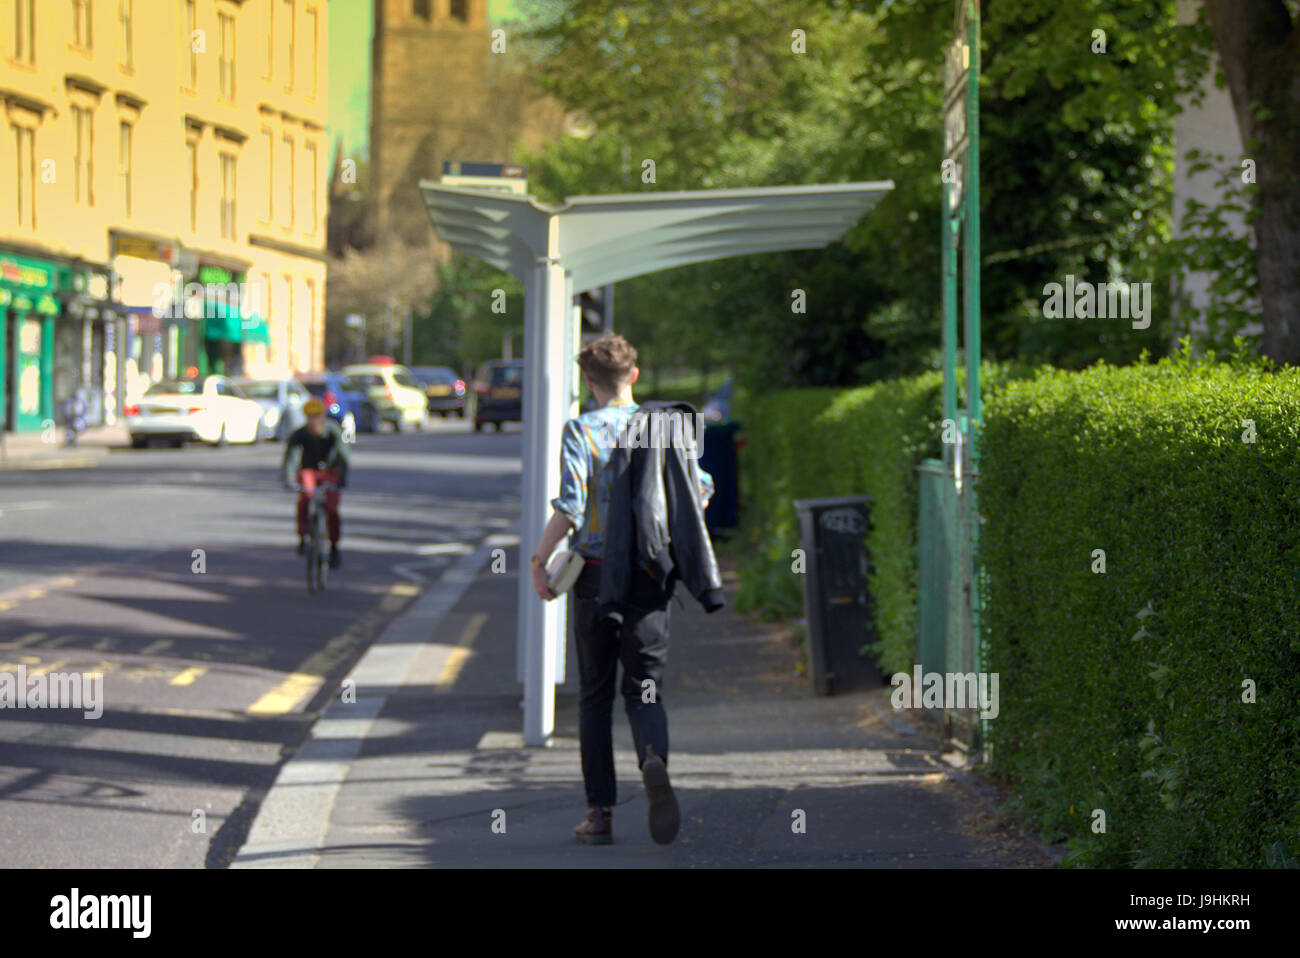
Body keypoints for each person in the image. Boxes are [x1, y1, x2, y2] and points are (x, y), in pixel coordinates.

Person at [529, 334, 717, 847]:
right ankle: (652, 756)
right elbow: (699, 492)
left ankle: (600, 816)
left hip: (593, 576)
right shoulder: (667, 429)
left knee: (594, 697)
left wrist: (539, 561)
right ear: (634, 376)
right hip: (649, 578)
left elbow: (569, 505)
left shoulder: (582, 430)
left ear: (589, 382)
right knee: (645, 687)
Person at [281, 398, 349, 568]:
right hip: (309, 469)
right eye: (310, 417)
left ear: (323, 417)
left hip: (329, 470)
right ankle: (303, 537)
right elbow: (290, 457)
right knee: (305, 497)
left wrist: (341, 478)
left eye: (317, 416)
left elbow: (343, 455)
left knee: (332, 508)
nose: (314, 421)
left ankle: (334, 547)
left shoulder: (334, 431)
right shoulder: (300, 434)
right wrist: (288, 477)